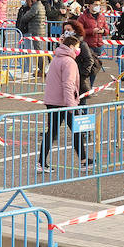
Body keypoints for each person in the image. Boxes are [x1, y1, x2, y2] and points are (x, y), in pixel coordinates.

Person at [36, 33, 92, 171]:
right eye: (77, 47)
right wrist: (71, 105)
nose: (79, 50)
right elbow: (68, 84)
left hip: (53, 100)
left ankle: (42, 162)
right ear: (72, 47)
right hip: (64, 102)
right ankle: (84, 161)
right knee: (74, 130)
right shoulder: (69, 62)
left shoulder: (57, 58)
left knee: (54, 132)